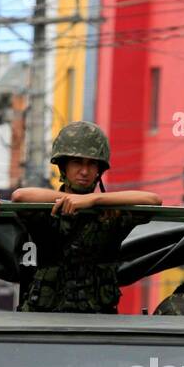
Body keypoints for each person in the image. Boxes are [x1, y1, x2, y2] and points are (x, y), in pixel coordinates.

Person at [12, 122, 159, 314]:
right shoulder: (48, 209)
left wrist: (94, 200)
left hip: (97, 319)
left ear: (99, 170)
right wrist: (69, 199)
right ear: (64, 167)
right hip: (46, 317)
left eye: (92, 163)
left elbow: (153, 200)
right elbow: (20, 196)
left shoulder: (111, 213)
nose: (84, 171)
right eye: (77, 162)